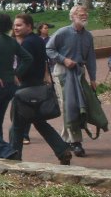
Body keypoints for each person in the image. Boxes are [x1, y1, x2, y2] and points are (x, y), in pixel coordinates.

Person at [9, 14, 73, 165]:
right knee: (39, 122)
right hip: (38, 86)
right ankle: (62, 150)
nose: (16, 28)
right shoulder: (38, 40)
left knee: (17, 125)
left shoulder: (27, 44)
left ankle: (13, 157)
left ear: (29, 26)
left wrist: (15, 76)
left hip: (26, 88)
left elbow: (26, 65)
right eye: (15, 25)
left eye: (20, 25)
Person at [46, 5, 98, 158]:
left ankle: (65, 139)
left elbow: (91, 58)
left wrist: (93, 78)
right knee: (68, 106)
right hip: (63, 72)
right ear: (73, 16)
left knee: (78, 106)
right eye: (82, 13)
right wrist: (63, 60)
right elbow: (49, 49)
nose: (85, 16)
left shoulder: (88, 36)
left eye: (86, 13)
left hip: (79, 74)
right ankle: (75, 142)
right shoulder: (62, 32)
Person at [0, 13, 32, 159]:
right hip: (10, 85)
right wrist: (17, 73)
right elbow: (28, 58)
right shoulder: (11, 41)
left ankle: (6, 150)